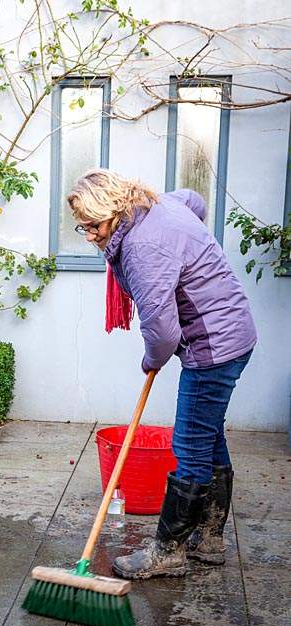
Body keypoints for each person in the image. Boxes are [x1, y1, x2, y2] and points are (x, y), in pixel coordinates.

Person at [67, 169, 257, 579]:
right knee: (209, 434)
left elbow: (163, 328)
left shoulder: (143, 246)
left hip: (213, 345)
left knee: (190, 445)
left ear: (113, 210)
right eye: (82, 228)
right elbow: (195, 200)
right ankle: (208, 538)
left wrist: (152, 359)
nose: (90, 236)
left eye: (93, 226)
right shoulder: (157, 205)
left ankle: (168, 552)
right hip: (233, 332)